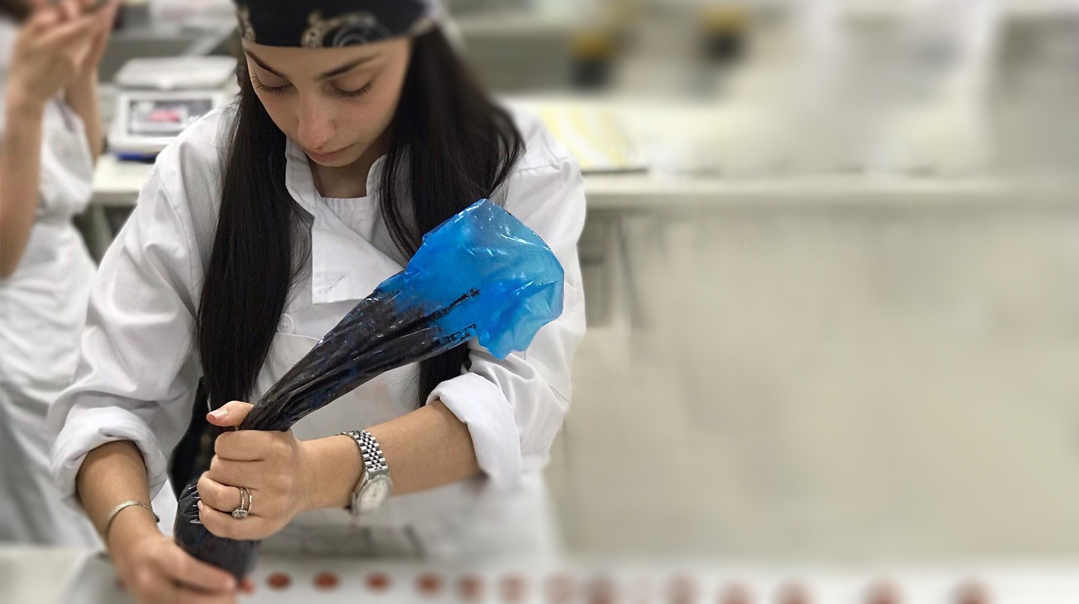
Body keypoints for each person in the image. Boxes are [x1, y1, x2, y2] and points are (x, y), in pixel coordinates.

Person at [47, 0, 586, 601]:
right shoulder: (203, 168)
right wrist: (132, 536)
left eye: (351, 85)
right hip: (271, 551)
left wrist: (314, 474)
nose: (312, 130)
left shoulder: (512, 160)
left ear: (419, 45)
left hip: (466, 548)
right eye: (272, 82)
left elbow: (517, 395)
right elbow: (111, 400)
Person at [0, 0, 118, 547]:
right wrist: (25, 100)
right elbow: (5, 254)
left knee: (117, 481)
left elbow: (77, 172)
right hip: (16, 320)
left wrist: (83, 71)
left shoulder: (32, 39)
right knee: (60, 536)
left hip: (68, 288)